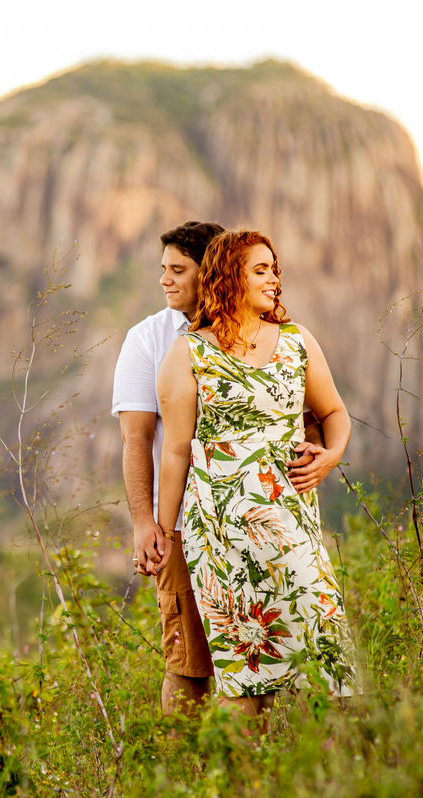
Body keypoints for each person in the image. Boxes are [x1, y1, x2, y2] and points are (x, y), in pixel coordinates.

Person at [111, 221, 329, 716]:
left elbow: (307, 416)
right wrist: (149, 525)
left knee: (268, 664)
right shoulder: (151, 339)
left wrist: (308, 470)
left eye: (177, 270)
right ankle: (179, 778)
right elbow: (138, 439)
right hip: (186, 526)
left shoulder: (268, 331)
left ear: (212, 271)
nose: (165, 281)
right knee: (190, 665)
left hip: (268, 529)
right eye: (163, 269)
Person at [155, 228, 356, 732]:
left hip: (292, 527)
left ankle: (337, 776)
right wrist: (164, 533)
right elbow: (175, 450)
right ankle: (239, 783)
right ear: (230, 277)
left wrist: (330, 457)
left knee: (331, 658)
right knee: (243, 678)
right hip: (221, 542)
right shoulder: (187, 355)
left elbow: (334, 412)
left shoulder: (296, 340)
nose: (274, 279)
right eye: (260, 269)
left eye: (275, 269)